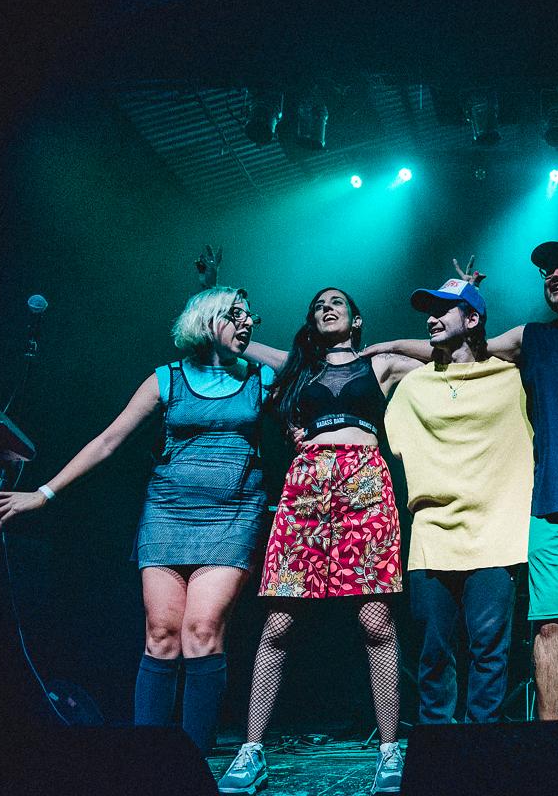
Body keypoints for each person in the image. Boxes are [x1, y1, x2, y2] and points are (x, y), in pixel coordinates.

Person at [368, 237, 558, 720]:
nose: (556, 274)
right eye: (547, 270)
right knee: (549, 627)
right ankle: (546, 752)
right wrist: (387, 344)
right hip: (551, 502)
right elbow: (457, 346)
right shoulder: (531, 338)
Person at [0, 286, 271, 756]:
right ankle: (146, 763)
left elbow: (303, 369)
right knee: (162, 633)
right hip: (167, 514)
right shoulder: (167, 378)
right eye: (236, 316)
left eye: (250, 317)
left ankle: (194, 764)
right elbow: (107, 441)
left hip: (232, 514)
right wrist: (43, 494)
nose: (248, 323)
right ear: (206, 322)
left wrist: (239, 334)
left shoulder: (263, 378)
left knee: (201, 630)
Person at [214, 285, 419, 796]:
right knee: (279, 620)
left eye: (337, 304)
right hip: (306, 487)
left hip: (364, 482)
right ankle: (251, 749)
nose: (326, 308)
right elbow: (234, 344)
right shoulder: (296, 368)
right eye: (318, 305)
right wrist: (217, 296)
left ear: (356, 319)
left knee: (375, 619)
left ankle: (389, 750)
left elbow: (449, 358)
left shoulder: (382, 365)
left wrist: (386, 342)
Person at [382, 269, 533, 725]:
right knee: (433, 656)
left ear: (472, 319)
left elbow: (537, 339)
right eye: (428, 311)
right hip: (432, 537)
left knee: (490, 653)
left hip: (496, 536)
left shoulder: (514, 378)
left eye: (441, 310)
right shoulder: (412, 386)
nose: (430, 318)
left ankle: (480, 757)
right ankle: (438, 757)